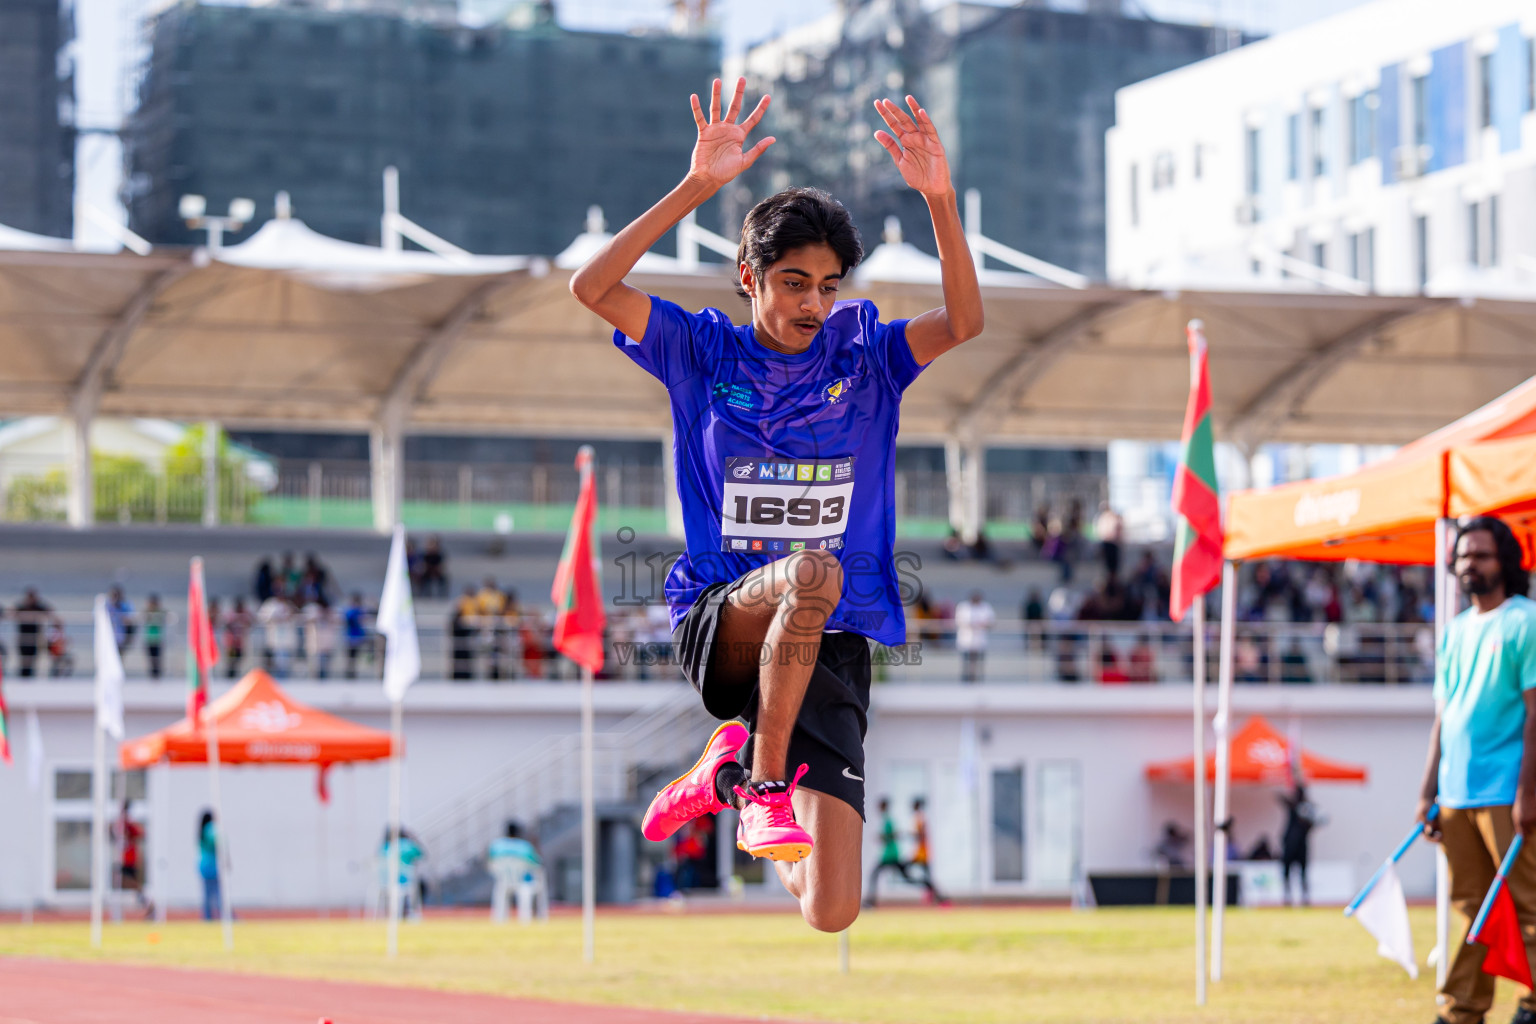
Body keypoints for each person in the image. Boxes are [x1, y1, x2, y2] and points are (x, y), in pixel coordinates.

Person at [573, 78, 983, 934]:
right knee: (810, 570)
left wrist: (941, 201)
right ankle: (761, 785)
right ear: (749, 277)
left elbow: (966, 322)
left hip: (831, 644)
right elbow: (592, 287)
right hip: (726, 620)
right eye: (794, 282)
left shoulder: (866, 353)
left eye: (829, 286)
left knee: (831, 911)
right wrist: (695, 190)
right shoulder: (697, 348)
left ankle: (725, 780)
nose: (813, 304)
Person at [1414, 515, 1536, 1024]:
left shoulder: (1525, 621)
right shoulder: (1456, 630)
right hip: (1456, 793)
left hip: (1508, 792)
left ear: (1504, 561)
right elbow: (1445, 716)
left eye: (1481, 555)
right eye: (1463, 556)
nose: (1470, 565)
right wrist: (1426, 792)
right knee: (1473, 909)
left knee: (1529, 907)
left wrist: (1528, 794)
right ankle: (1462, 1010)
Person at [488, 822, 545, 922]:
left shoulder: (496, 845)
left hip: (503, 882)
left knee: (501, 892)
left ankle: (499, 920)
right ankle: (526, 919)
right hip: (522, 882)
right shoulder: (524, 846)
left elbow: (491, 863)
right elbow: (537, 864)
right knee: (536, 879)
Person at [1278, 780, 1322, 906]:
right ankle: (1287, 897)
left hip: (1301, 845)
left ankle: (1305, 898)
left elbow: (1315, 823)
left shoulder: (1308, 808)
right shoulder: (1293, 806)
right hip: (1290, 844)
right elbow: (1282, 800)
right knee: (1287, 872)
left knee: (1303, 873)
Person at [863, 798, 907, 908]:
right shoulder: (886, 819)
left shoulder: (887, 820)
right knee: (907, 878)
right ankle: (870, 901)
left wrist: (883, 837)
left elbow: (894, 835)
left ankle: (870, 902)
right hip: (889, 854)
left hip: (890, 855)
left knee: (874, 875)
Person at [115, 798, 151, 918]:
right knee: (126, 882)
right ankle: (146, 904)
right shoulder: (121, 822)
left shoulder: (127, 823)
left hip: (129, 859)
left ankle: (148, 904)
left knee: (127, 881)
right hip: (125, 857)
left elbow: (140, 833)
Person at [954, 591, 995, 684]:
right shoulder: (963, 607)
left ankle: (979, 680)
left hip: (980, 640)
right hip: (966, 640)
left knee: (979, 663)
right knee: (966, 662)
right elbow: (959, 621)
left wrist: (982, 625)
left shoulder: (986, 607)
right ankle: (966, 681)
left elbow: (991, 622)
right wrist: (972, 625)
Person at [14, 587, 50, 678]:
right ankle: (23, 676)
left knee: (33, 658)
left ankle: (30, 676)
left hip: (35, 638)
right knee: (23, 659)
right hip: (23, 637)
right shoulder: (22, 607)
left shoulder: (38, 607)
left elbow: (49, 611)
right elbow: (13, 613)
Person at [197, 810, 221, 921]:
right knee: (218, 893)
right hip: (212, 866)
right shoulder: (211, 829)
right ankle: (223, 915)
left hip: (203, 865)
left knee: (207, 894)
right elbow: (219, 843)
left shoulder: (201, 831)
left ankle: (207, 917)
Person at [222, 596, 253, 679]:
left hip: (240, 642)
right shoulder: (231, 615)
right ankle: (229, 674)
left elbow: (251, 622)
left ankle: (234, 673)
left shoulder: (244, 615)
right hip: (231, 642)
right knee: (231, 659)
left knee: (239, 658)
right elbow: (226, 624)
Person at [343, 593, 370, 679]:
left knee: (356, 658)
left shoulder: (359, 611)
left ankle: (353, 674)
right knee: (350, 658)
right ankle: (349, 674)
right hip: (351, 638)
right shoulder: (351, 611)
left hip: (358, 638)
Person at [142, 594, 166, 679]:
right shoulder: (147, 612)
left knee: (157, 657)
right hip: (149, 639)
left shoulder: (160, 613)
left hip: (158, 639)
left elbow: (163, 619)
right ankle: (152, 674)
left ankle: (157, 674)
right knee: (150, 658)